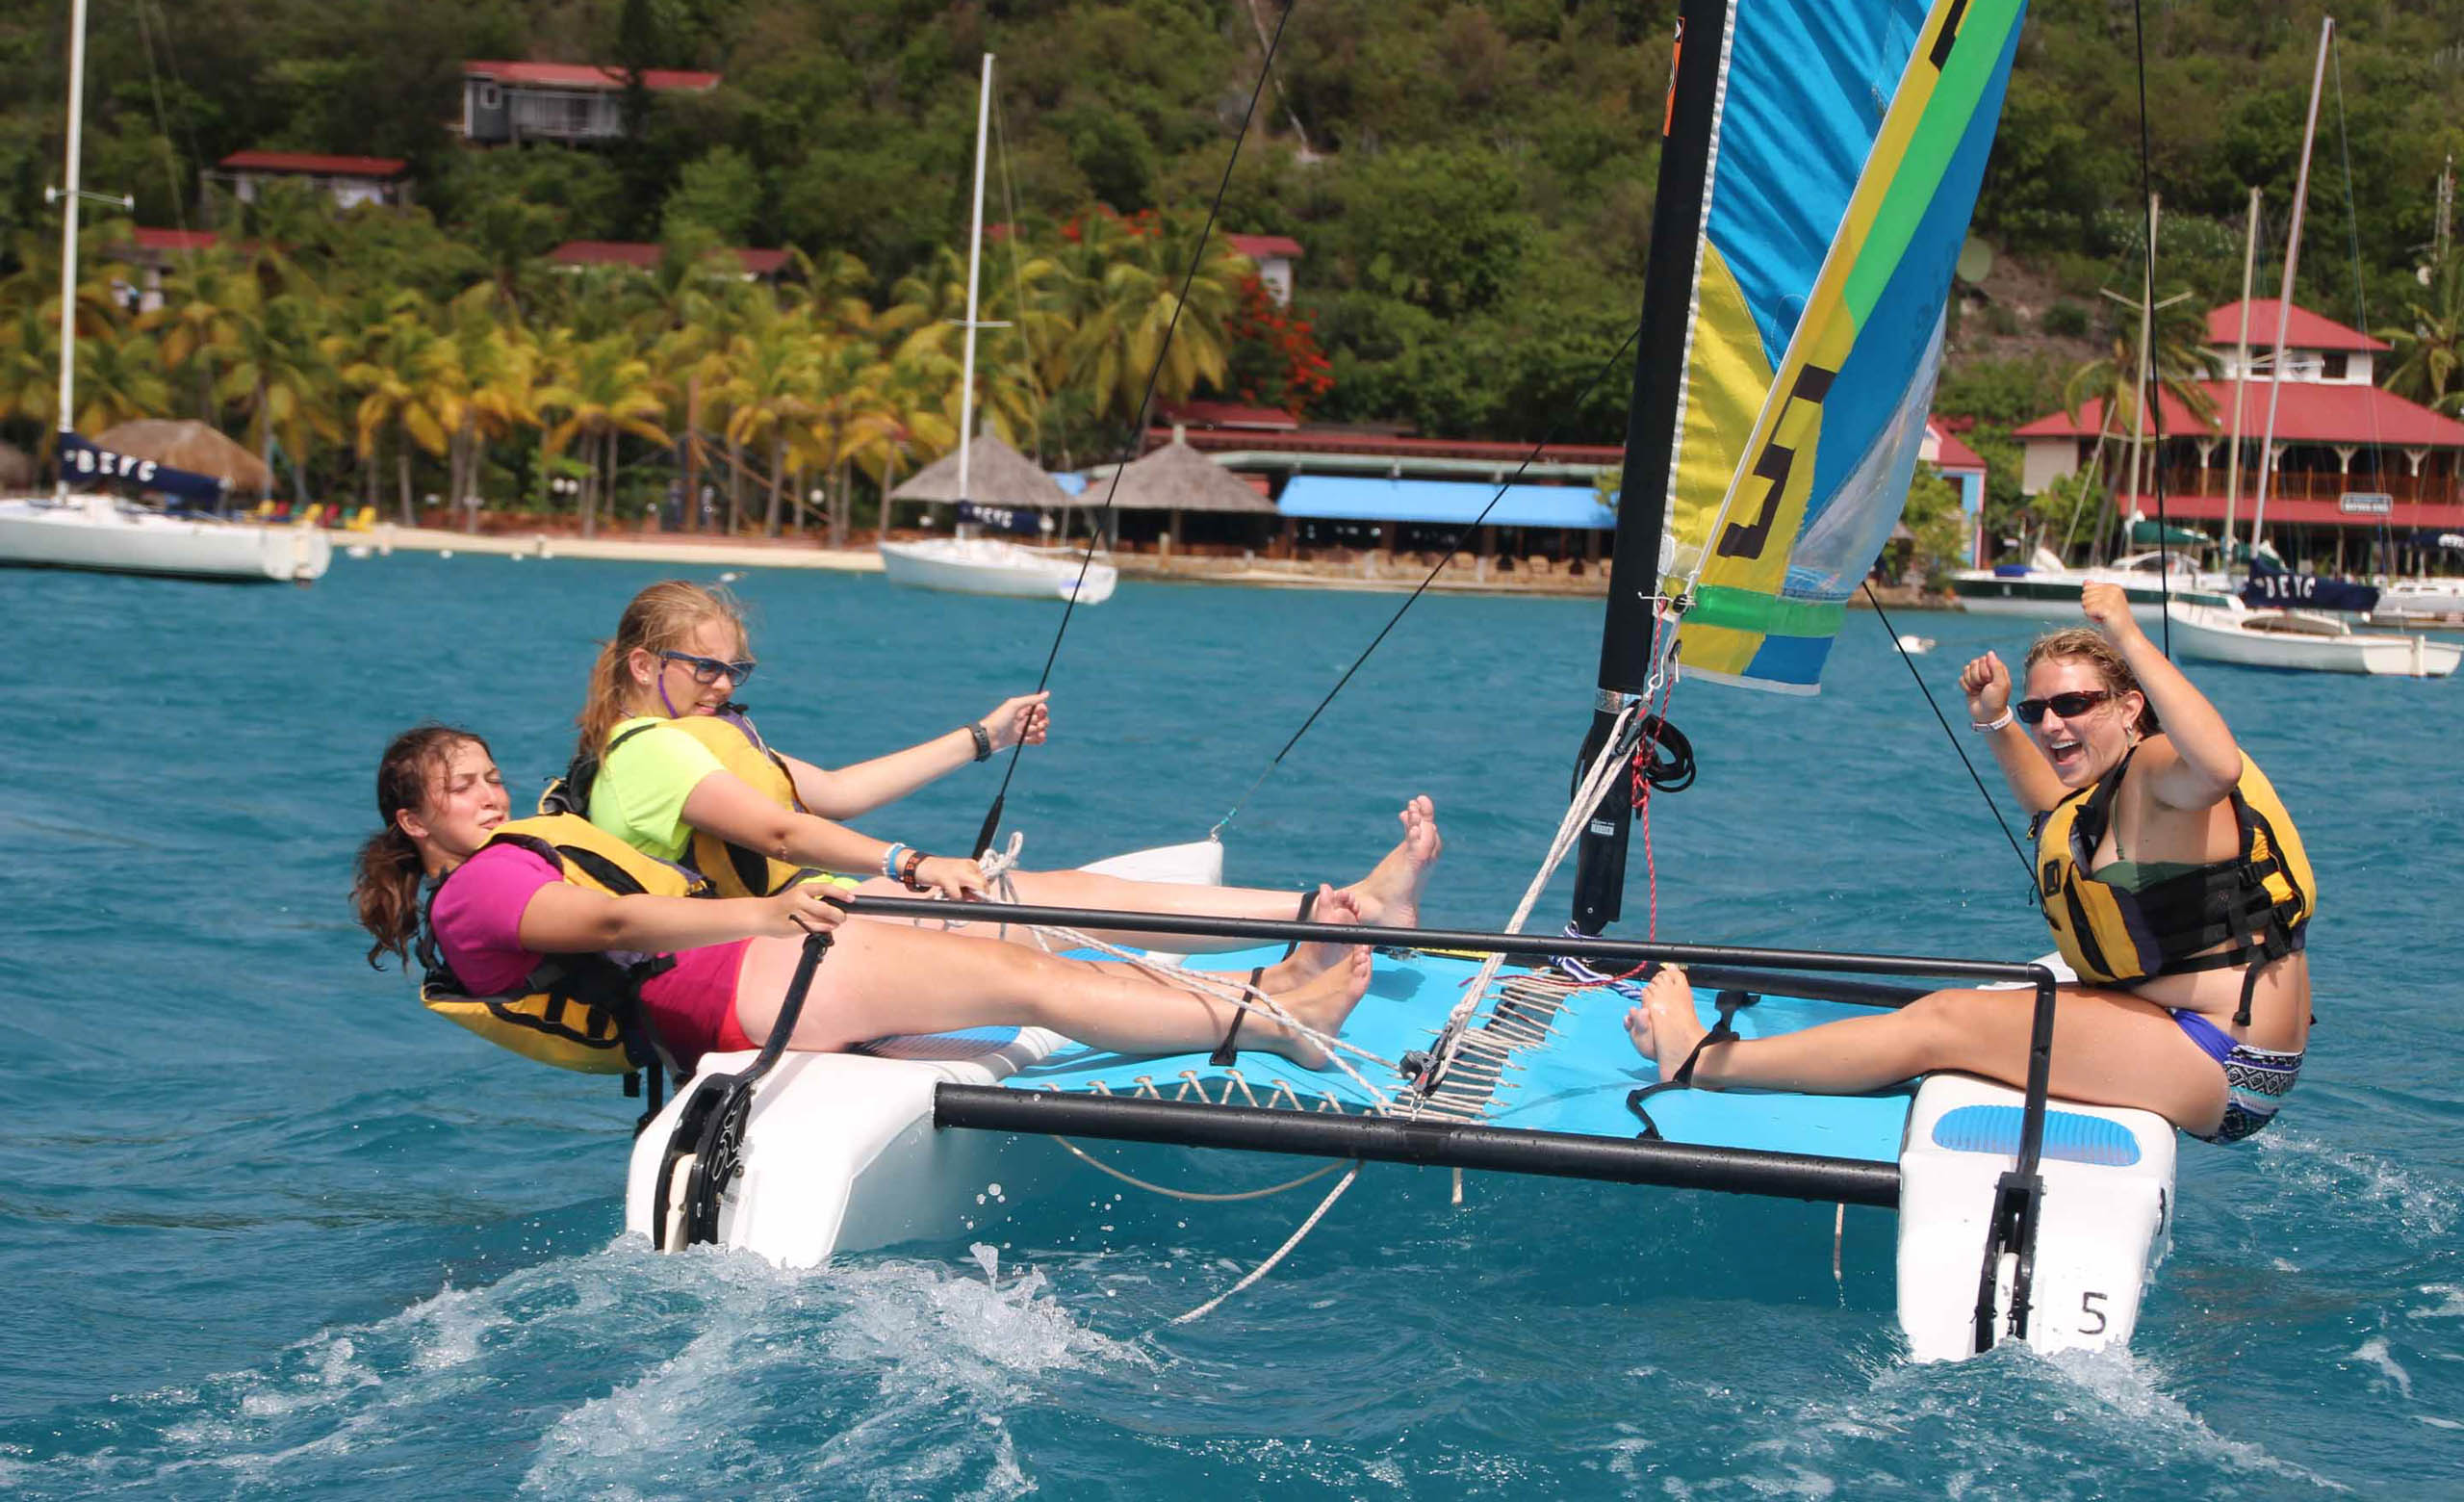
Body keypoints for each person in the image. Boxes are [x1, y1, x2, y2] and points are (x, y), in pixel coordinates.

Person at [1626, 582, 2313, 1143]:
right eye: (2038, 708)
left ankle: (1703, 1061)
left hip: (2219, 1058)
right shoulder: (2112, 792)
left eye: (2074, 705)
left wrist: (2127, 634)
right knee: (1975, 1009)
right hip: (2196, 1043)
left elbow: (2218, 763)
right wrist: (1995, 719)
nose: (2052, 724)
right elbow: (2054, 814)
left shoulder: (2162, 769)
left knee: (1945, 1022)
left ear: (2132, 707)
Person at [351, 725, 1375, 1075]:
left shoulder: (499, 860)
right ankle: (1279, 1025)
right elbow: (610, 923)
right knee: (1020, 977)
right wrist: (762, 913)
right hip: (720, 988)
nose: (487, 795)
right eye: (459, 787)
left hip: (717, 980)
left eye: (490, 777)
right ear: (412, 823)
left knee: (1019, 957)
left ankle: (1265, 985)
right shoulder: (477, 893)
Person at [566, 580, 1444, 955]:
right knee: (1053, 906)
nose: (724, 685)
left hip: (809, 915)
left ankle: (1331, 913)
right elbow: (785, 831)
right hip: (767, 940)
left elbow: (829, 793)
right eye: (707, 669)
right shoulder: (648, 755)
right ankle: (1340, 917)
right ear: (647, 667)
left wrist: (984, 737)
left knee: (1059, 897)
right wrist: (912, 865)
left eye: (736, 671)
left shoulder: (706, 739)